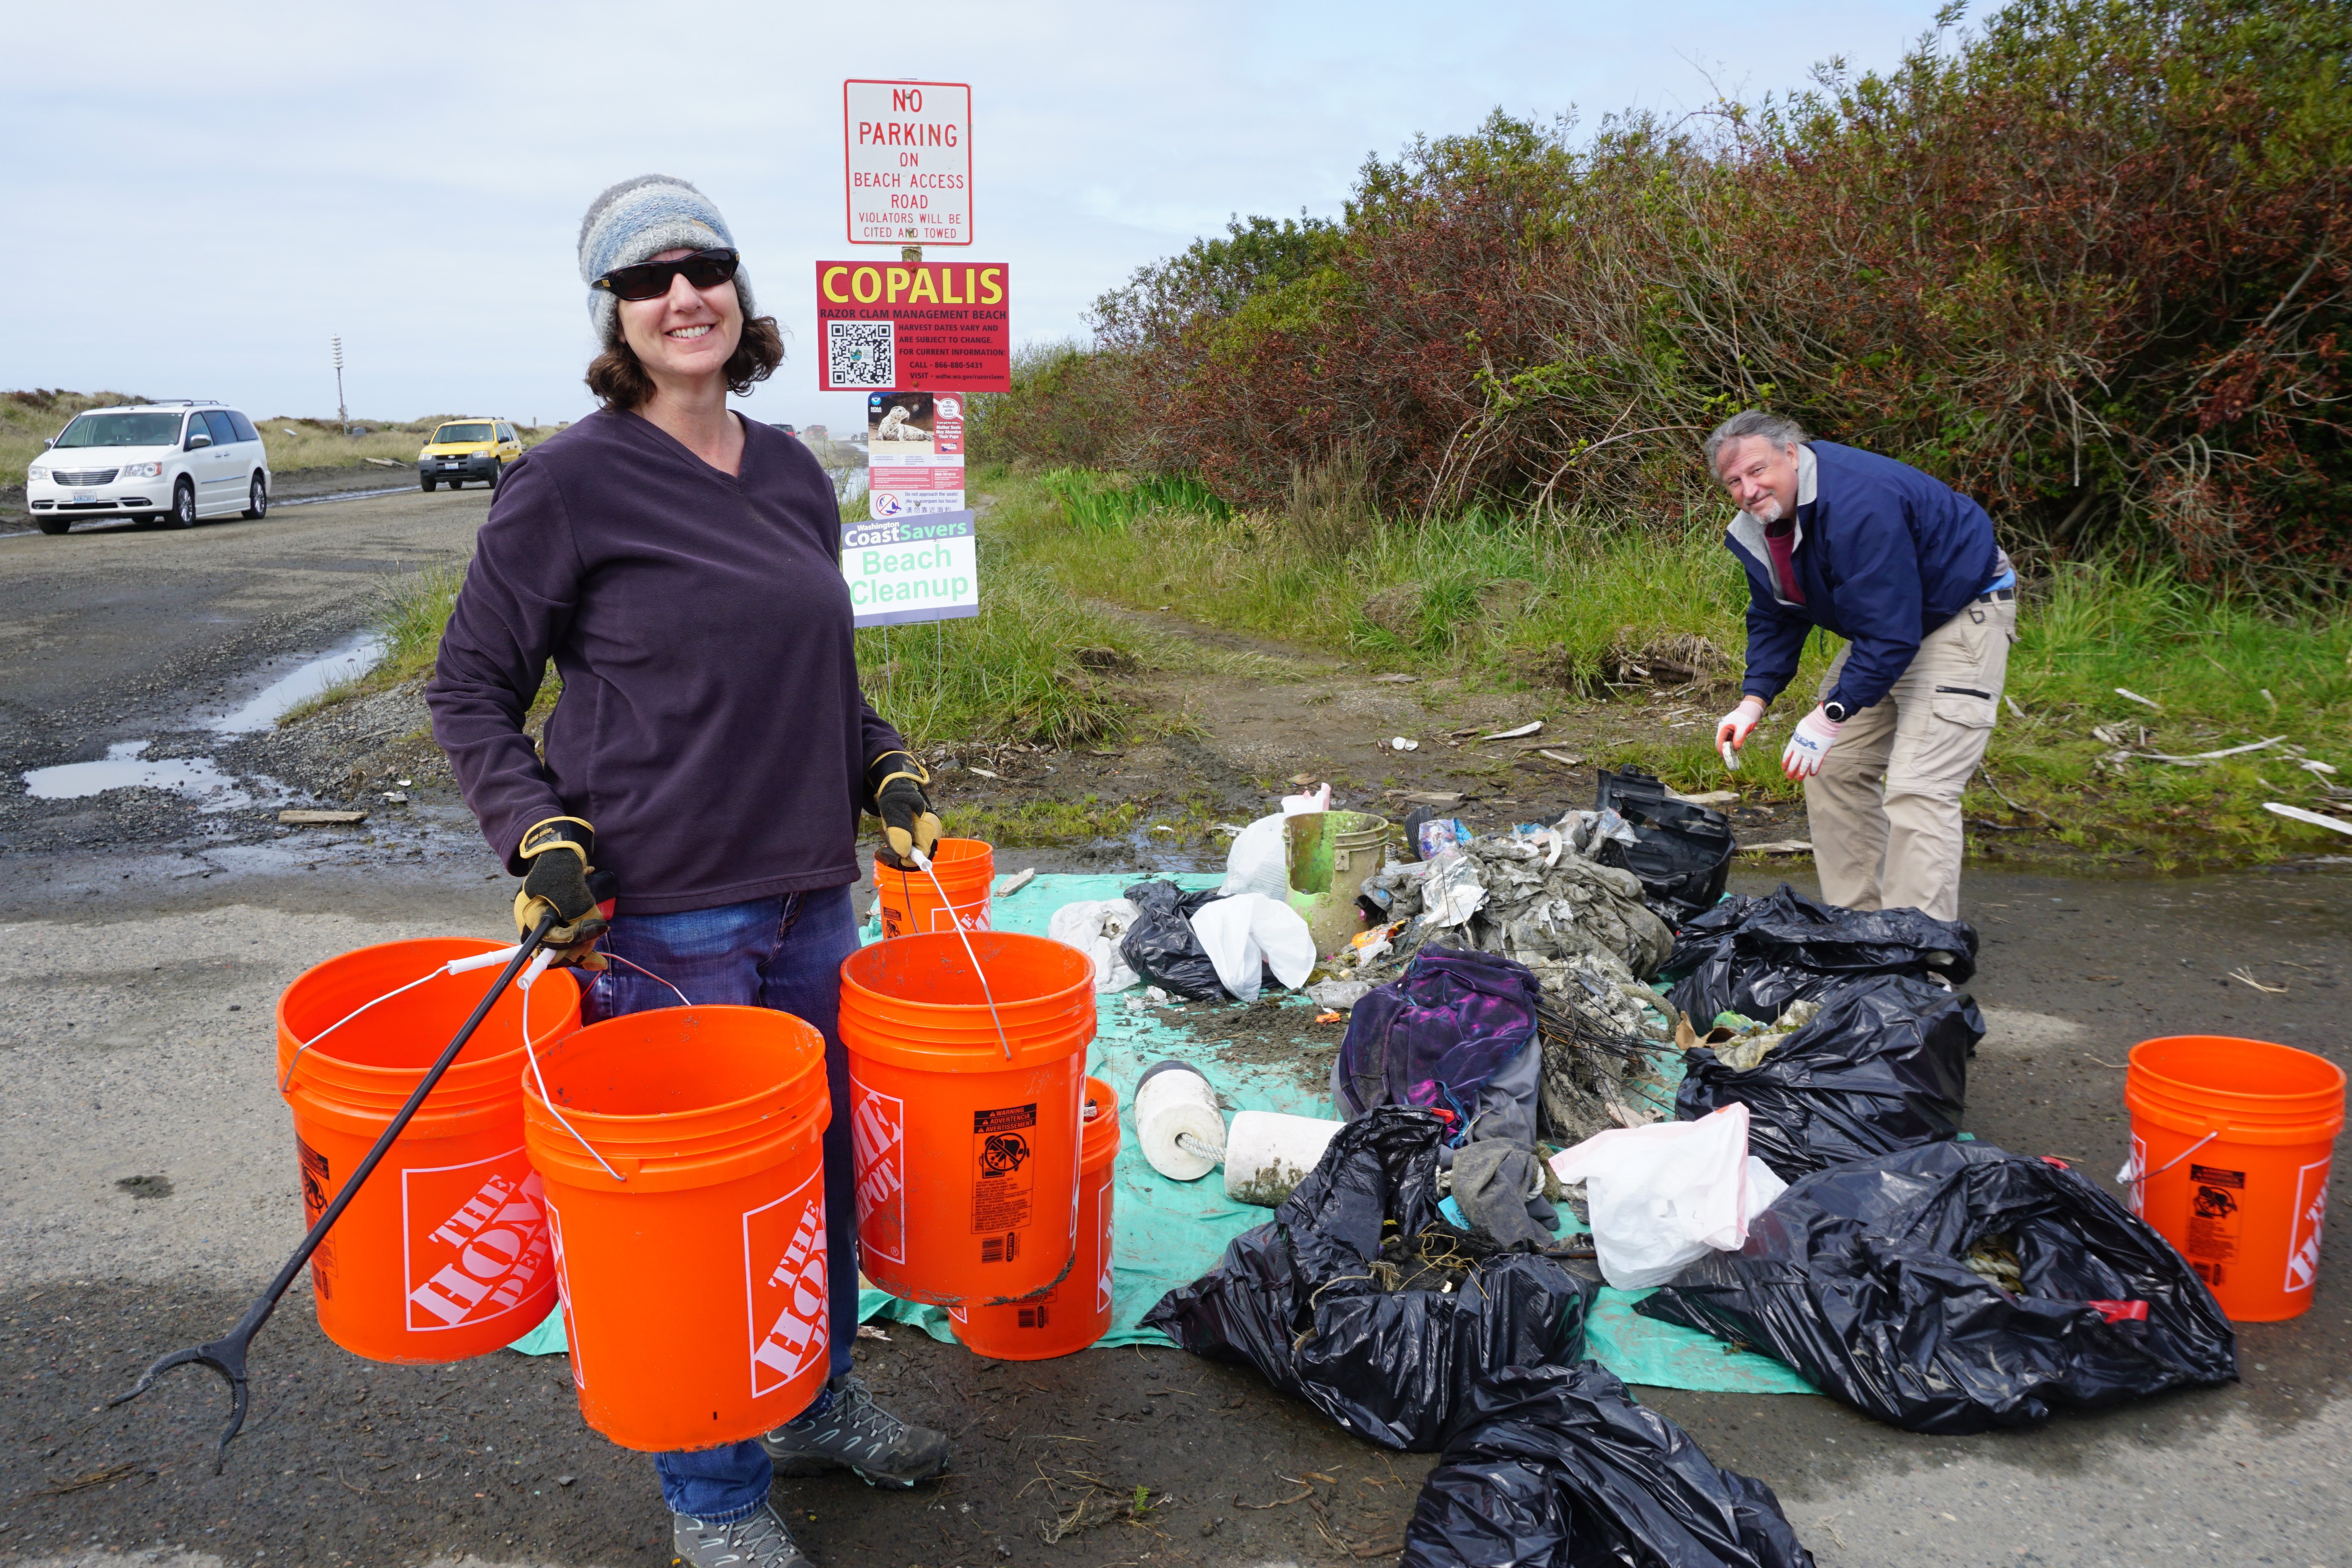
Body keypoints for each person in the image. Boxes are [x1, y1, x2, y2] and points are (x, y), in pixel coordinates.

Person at [426, 174, 949, 1568]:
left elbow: (822, 679)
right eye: (647, 277)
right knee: (698, 1225)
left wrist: (878, 764)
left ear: (738, 287)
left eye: (703, 265)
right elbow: (470, 689)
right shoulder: (568, 479)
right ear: (613, 316)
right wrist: (538, 838)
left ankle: (819, 1397)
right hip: (663, 921)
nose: (683, 294)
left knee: (818, 1181)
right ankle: (713, 1500)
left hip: (808, 900)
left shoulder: (790, 472)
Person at [1705, 410, 2016, 922]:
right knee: (1833, 767)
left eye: (1757, 471)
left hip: (1961, 611)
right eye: (1734, 481)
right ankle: (1858, 932)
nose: (1748, 489)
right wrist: (1752, 701)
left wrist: (1831, 714)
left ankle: (1916, 961)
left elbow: (1890, 630)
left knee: (1920, 790)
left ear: (1791, 453)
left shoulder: (1856, 503)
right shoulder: (1763, 526)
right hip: (1893, 621)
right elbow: (1775, 614)